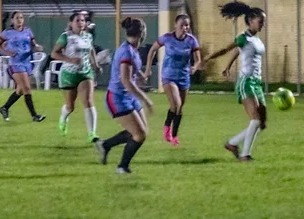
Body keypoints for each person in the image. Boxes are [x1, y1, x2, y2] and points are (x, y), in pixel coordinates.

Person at [202, 1, 267, 161]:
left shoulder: (255, 39)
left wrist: (228, 66)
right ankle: (245, 155)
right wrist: (207, 58)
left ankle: (232, 143)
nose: (263, 24)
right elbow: (226, 49)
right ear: (251, 20)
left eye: (264, 21)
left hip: (257, 83)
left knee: (261, 123)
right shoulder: (243, 37)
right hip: (246, 82)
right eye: (261, 21)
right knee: (255, 119)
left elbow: (239, 51)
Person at [95, 17, 154, 174]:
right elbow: (126, 81)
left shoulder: (131, 48)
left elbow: (133, 70)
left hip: (128, 97)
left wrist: (141, 75)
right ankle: (122, 167)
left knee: (140, 132)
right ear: (142, 33)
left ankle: (105, 145)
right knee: (139, 134)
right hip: (117, 98)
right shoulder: (126, 51)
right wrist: (146, 99)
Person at [143, 13, 202, 146]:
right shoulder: (167, 38)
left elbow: (198, 59)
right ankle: (167, 129)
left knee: (179, 108)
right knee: (176, 104)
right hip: (169, 76)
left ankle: (174, 135)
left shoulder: (191, 40)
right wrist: (148, 69)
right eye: (182, 25)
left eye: (187, 25)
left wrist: (195, 67)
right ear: (175, 25)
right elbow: (152, 50)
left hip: (184, 77)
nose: (185, 28)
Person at [51, 10, 100, 142]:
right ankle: (63, 118)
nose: (80, 23)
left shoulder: (88, 36)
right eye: (77, 20)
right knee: (70, 106)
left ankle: (92, 134)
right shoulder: (65, 37)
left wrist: (95, 64)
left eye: (83, 20)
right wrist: (70, 60)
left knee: (88, 101)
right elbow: (54, 53)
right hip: (69, 74)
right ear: (71, 23)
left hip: (85, 72)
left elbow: (91, 49)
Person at [0, 11, 46, 123]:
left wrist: (37, 46)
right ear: (12, 20)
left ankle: (4, 108)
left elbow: (33, 43)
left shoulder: (28, 31)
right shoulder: (8, 32)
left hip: (27, 62)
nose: (19, 20)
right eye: (17, 18)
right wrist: (5, 52)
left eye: (21, 18)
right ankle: (34, 115)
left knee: (20, 90)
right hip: (16, 63)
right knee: (27, 88)